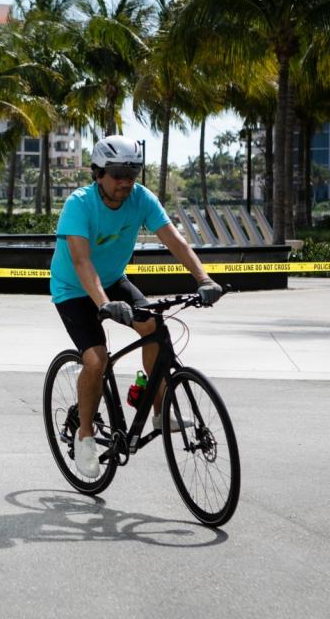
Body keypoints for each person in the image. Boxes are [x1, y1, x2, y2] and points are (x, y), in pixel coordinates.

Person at [50, 135, 222, 479]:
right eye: (117, 174)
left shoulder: (141, 199)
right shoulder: (79, 204)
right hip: (73, 288)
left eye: (132, 173)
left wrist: (204, 279)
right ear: (98, 173)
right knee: (96, 359)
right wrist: (105, 305)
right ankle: (85, 436)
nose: (126, 182)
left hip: (113, 279)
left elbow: (175, 239)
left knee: (155, 329)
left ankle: (159, 411)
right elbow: (82, 262)